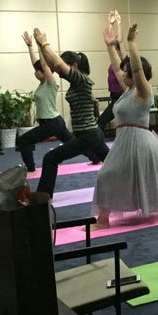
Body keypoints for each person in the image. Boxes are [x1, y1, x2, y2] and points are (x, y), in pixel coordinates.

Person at [90, 11, 158, 230]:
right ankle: (103, 219)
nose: (122, 75)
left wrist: (131, 43)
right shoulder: (127, 90)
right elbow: (118, 66)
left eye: (127, 72)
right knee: (108, 176)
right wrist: (110, 46)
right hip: (125, 142)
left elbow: (136, 68)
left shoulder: (143, 91)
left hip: (141, 144)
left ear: (136, 75)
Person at [32, 28, 110, 198]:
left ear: (74, 66)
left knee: (50, 158)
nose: (61, 71)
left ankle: (42, 199)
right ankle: (135, 185)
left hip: (89, 135)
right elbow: (53, 65)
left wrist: (45, 43)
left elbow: (59, 65)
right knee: (115, 164)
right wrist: (39, 46)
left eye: (66, 67)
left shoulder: (81, 80)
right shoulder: (77, 82)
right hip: (91, 134)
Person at [17, 31, 102, 172]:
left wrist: (40, 45)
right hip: (56, 122)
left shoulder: (51, 83)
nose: (35, 72)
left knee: (24, 140)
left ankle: (30, 168)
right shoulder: (42, 84)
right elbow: (37, 64)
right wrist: (30, 46)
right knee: (74, 143)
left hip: (52, 123)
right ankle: (95, 157)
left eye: (38, 71)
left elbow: (44, 65)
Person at [96, 12, 127, 132]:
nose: (114, 50)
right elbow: (110, 39)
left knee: (101, 121)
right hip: (114, 95)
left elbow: (120, 41)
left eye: (116, 49)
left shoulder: (123, 62)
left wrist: (119, 24)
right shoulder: (114, 62)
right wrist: (111, 24)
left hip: (121, 96)